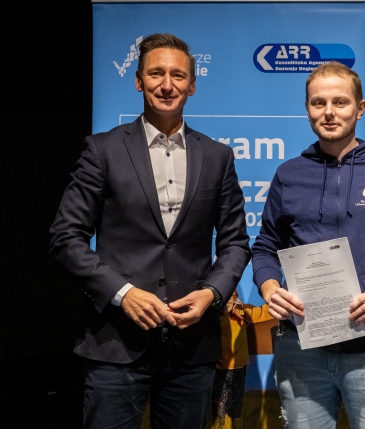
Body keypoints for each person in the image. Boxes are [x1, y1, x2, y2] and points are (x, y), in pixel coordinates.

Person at [49, 33, 250, 429]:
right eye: (156, 74)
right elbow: (65, 237)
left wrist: (211, 294)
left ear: (192, 85)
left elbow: (236, 243)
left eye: (178, 75)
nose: (167, 84)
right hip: (115, 344)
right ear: (139, 80)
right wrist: (123, 293)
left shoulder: (218, 157)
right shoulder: (103, 150)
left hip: (192, 346)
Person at [251, 62, 365, 428]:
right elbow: (265, 248)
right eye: (318, 103)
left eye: (340, 102)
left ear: (360, 108)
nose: (329, 112)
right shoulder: (288, 175)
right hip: (301, 350)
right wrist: (270, 288)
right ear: (307, 108)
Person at [211, 291, 275, 428]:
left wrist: (276, 303)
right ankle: (219, 422)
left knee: (236, 398)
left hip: (238, 367)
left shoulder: (243, 313)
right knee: (218, 399)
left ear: (235, 298)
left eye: (231, 296)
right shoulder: (211, 316)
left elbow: (262, 312)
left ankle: (236, 420)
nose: (228, 300)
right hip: (218, 367)